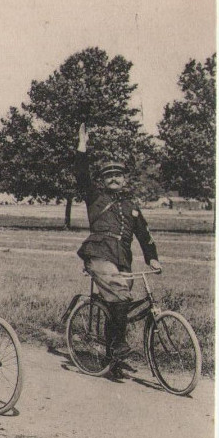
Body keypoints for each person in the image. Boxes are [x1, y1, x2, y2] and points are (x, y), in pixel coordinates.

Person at [74, 123, 160, 375]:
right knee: (121, 295)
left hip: (122, 258)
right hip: (99, 253)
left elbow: (144, 236)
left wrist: (152, 259)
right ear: (102, 181)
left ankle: (112, 358)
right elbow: (81, 175)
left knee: (117, 305)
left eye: (118, 175)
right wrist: (82, 146)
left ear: (124, 180)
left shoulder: (132, 206)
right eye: (109, 176)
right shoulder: (95, 197)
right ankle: (119, 345)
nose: (114, 178)